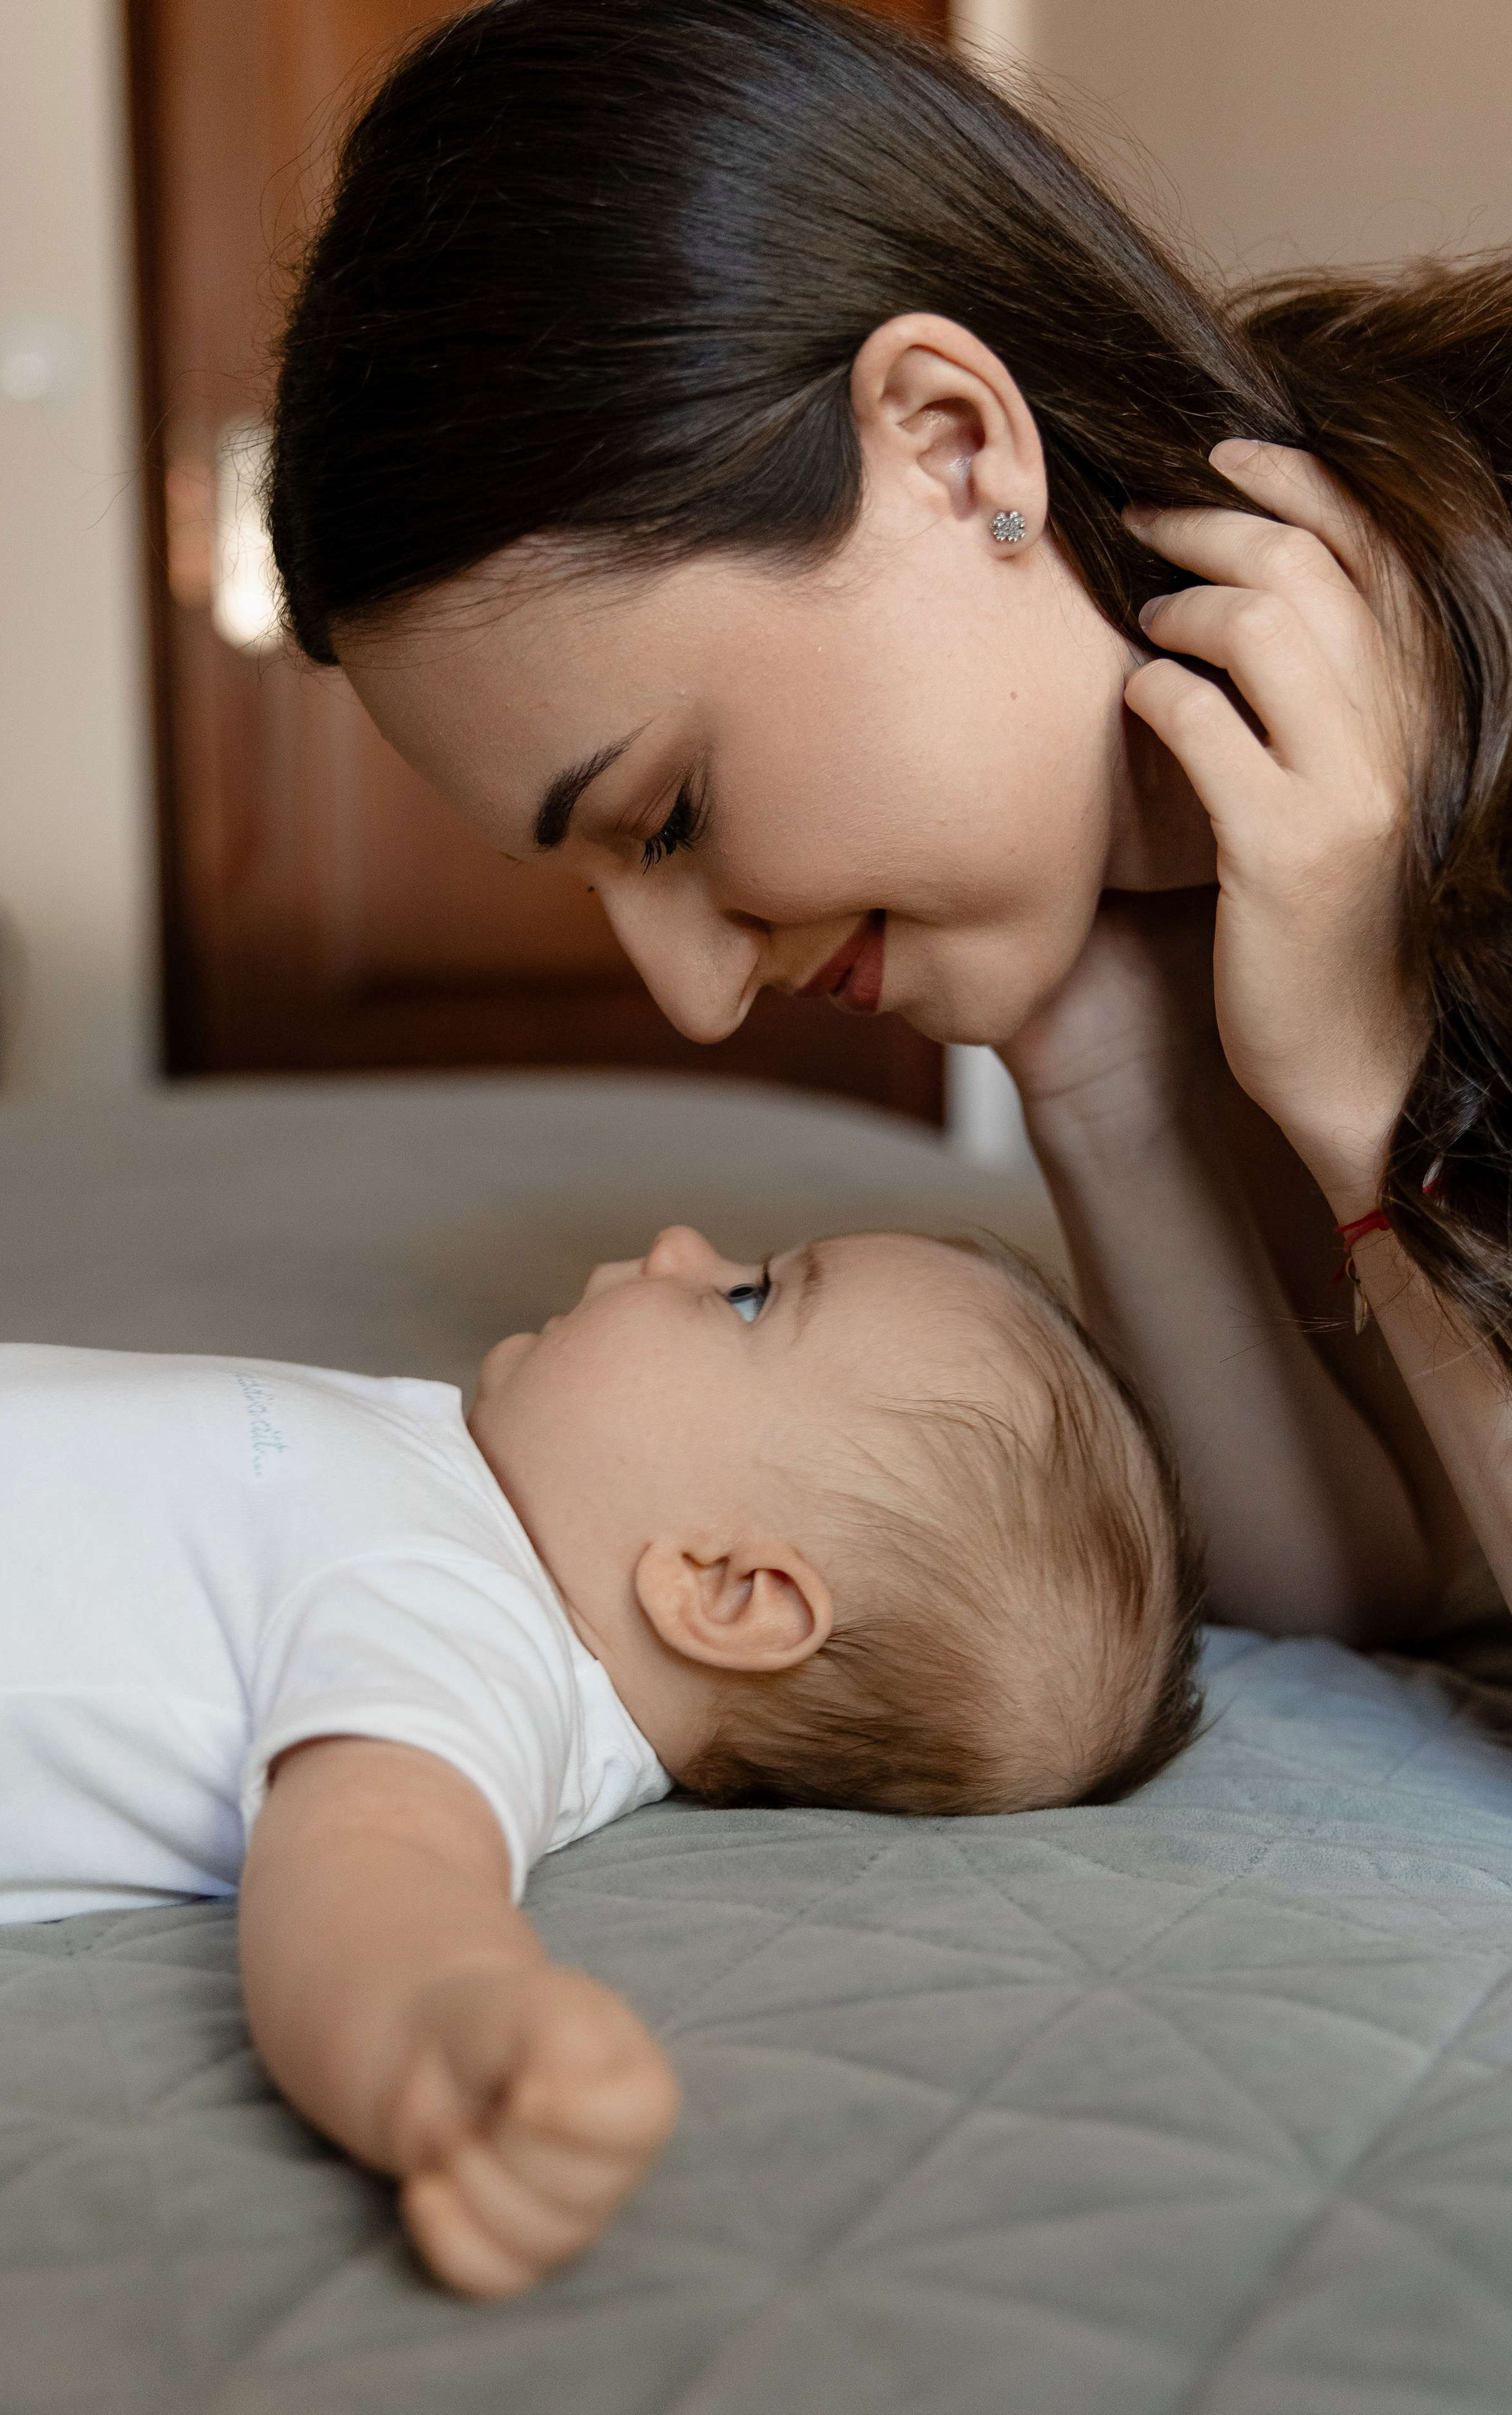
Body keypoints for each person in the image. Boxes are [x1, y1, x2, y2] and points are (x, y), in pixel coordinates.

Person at [267, 0, 1512, 1662]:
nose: (699, 1001)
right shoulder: (1186, 863)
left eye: (671, 814)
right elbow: (1377, 1575)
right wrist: (1100, 1078)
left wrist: (1364, 1087)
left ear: (947, 444)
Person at [0, 1224, 1199, 2297]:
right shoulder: (459, 1497)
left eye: (748, 1300)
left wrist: (452, 2029)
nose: (685, 1245)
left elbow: (380, 1862)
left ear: (727, 1588)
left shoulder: (463, 1625)